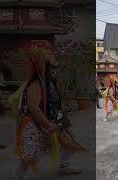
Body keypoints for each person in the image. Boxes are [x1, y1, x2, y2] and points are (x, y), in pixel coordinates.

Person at [14, 40, 85, 180]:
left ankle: (64, 166)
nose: (56, 71)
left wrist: (62, 110)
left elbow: (53, 100)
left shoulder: (49, 81)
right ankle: (19, 176)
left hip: (52, 119)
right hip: (34, 122)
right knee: (32, 152)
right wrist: (47, 123)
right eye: (53, 69)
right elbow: (33, 107)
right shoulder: (36, 83)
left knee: (70, 143)